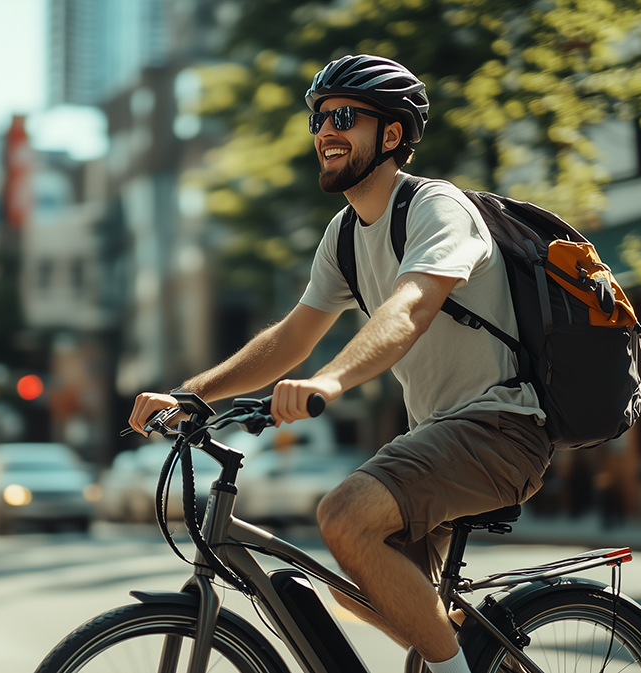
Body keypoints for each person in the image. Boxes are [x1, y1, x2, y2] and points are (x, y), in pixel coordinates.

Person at [129, 54, 551, 673]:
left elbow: (411, 308)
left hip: (502, 428)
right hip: (438, 434)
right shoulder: (346, 235)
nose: (326, 130)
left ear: (393, 134)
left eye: (345, 117)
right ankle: (474, 652)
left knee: (344, 517)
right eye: (319, 119)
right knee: (351, 585)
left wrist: (329, 380)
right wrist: (195, 395)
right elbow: (292, 337)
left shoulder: (438, 209)